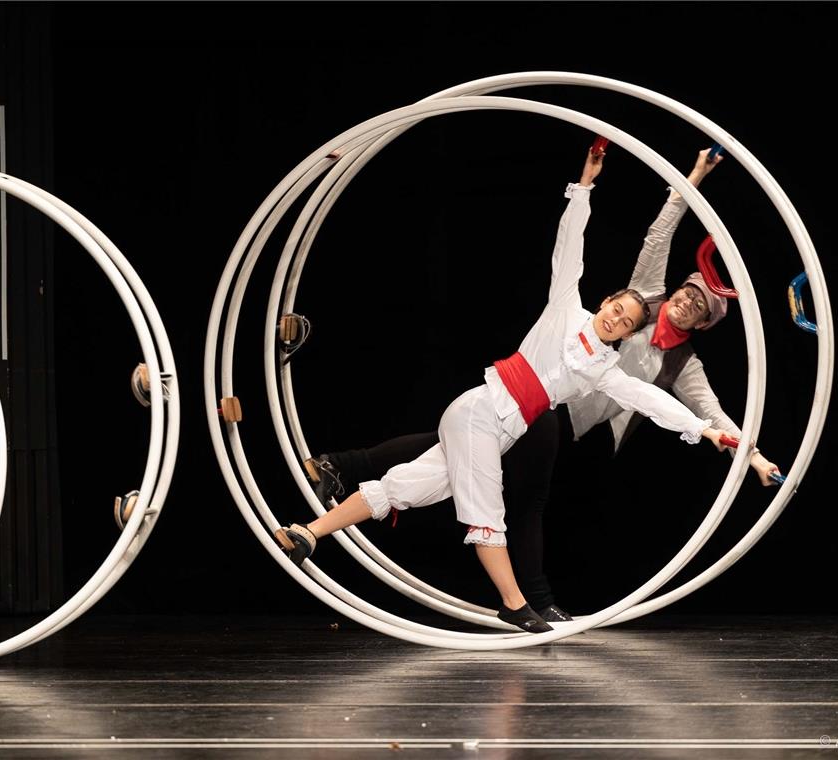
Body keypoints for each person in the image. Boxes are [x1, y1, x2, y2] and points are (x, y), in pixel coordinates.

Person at [302, 147, 781, 623]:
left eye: (699, 309)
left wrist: (746, 450)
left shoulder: (664, 364)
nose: (686, 306)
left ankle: (334, 488)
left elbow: (676, 404)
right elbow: (651, 234)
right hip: (534, 406)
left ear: (700, 325)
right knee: (514, 492)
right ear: (634, 297)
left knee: (462, 463)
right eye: (685, 295)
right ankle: (526, 600)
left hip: (559, 416)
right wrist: (672, 177)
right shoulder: (623, 300)